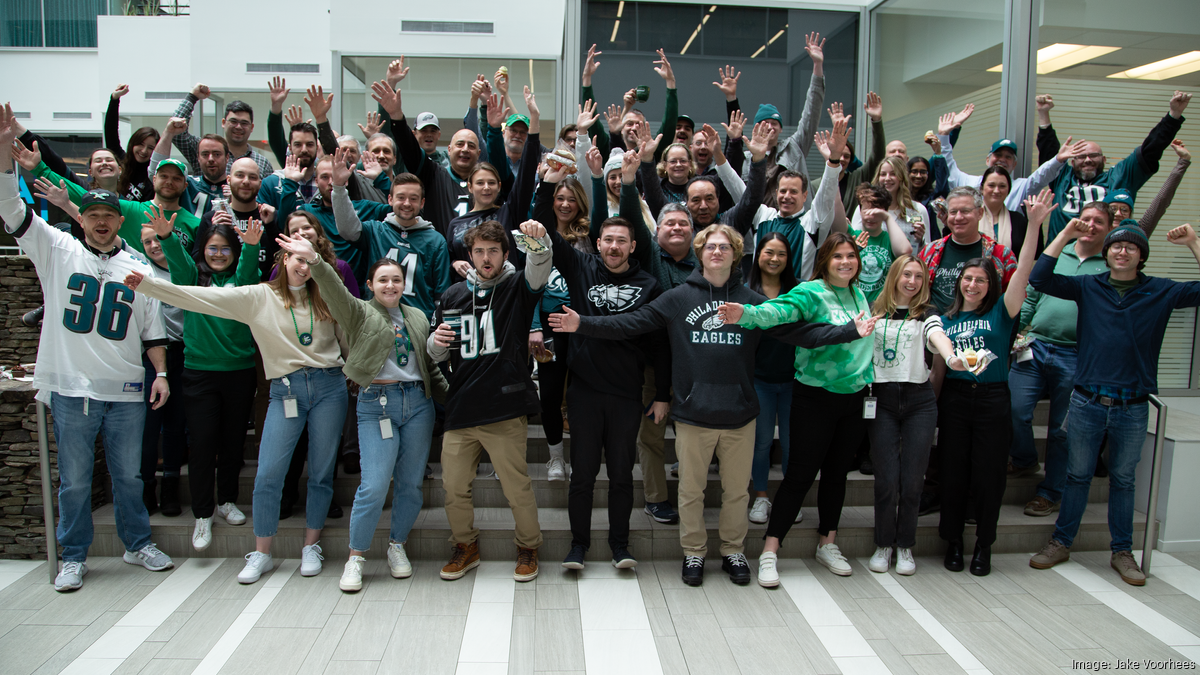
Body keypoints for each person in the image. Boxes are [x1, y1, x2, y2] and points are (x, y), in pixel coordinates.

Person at [554, 224, 870, 586]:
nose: (717, 252)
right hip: (693, 413)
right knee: (690, 492)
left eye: (725, 247)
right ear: (700, 253)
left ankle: (733, 551)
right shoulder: (677, 298)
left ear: (736, 254)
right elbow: (631, 322)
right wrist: (583, 323)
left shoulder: (751, 301)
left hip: (739, 414)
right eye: (710, 247)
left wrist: (848, 331)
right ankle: (694, 553)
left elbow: (798, 333)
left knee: (737, 493)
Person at [0, 104, 175, 591]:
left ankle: (137, 544)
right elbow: (12, 211)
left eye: (108, 215)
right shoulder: (57, 248)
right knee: (75, 481)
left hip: (124, 389)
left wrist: (159, 373)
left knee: (130, 478)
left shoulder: (137, 264)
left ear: (119, 220)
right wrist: (4, 152)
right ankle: (73, 556)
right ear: (82, 218)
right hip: (71, 388)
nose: (100, 222)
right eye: (92, 214)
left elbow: (151, 329)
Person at [124, 241, 358, 585]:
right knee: (267, 475)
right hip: (285, 390)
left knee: (322, 473)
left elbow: (349, 336)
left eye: (312, 261)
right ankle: (262, 552)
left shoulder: (327, 295)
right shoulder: (258, 297)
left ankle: (312, 545)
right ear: (284, 259)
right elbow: (202, 298)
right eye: (298, 259)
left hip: (329, 388)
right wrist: (149, 286)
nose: (304, 267)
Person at [1028, 219, 1200, 586]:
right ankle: (1061, 541)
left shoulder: (1162, 291)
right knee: (1076, 476)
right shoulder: (1089, 286)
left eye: (1131, 246)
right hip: (1086, 401)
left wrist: (1193, 242)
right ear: (1106, 253)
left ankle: (1123, 551)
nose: (1122, 250)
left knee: (1123, 480)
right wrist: (1064, 235)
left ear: (1141, 256)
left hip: (1134, 406)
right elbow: (1040, 278)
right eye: (1116, 245)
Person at [275, 235, 448, 591]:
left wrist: (453, 400)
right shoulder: (359, 311)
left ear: (404, 284)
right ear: (370, 285)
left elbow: (428, 367)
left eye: (396, 279)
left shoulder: (416, 316)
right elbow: (335, 291)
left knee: (411, 485)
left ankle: (397, 546)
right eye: (383, 279)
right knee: (372, 485)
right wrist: (317, 263)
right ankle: (356, 557)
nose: (390, 285)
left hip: (418, 404)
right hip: (376, 405)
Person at [719, 233, 879, 583]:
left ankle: (828, 542)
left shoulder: (859, 293)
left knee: (837, 476)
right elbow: (778, 311)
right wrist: (747, 312)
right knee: (800, 476)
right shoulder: (811, 292)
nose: (845, 262)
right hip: (815, 398)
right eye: (837, 256)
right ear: (824, 261)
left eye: (851, 256)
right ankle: (769, 551)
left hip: (853, 399)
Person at [539, 156, 669, 570]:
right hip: (584, 391)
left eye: (621, 241)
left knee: (620, 476)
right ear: (598, 243)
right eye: (607, 240)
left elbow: (658, 343)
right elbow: (544, 228)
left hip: (626, 394)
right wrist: (548, 183)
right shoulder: (581, 266)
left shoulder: (647, 285)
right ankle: (578, 546)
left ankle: (619, 546)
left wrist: (663, 392)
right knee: (582, 476)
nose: (613, 247)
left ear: (633, 246)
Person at [429, 220, 554, 583]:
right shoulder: (452, 295)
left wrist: (539, 240)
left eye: (493, 251)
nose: (486, 258)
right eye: (479, 251)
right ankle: (465, 546)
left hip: (504, 407)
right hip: (461, 407)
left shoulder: (518, 286)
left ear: (505, 254)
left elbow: (540, 265)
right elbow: (437, 354)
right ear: (469, 255)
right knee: (453, 487)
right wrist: (435, 343)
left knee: (516, 487)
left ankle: (529, 546)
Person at [937, 189, 1053, 577]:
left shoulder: (1003, 313)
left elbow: (1024, 268)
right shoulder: (948, 318)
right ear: (959, 283)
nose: (972, 285)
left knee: (988, 476)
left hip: (991, 400)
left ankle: (984, 546)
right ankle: (952, 541)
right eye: (967, 279)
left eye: (980, 280)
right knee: (953, 472)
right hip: (954, 399)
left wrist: (1034, 225)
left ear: (991, 284)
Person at [145, 210, 262, 552]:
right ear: (203, 250)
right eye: (212, 248)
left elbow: (247, 270)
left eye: (225, 248)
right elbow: (179, 262)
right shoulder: (191, 282)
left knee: (231, 442)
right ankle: (202, 513)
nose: (219, 254)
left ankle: (226, 500)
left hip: (239, 373)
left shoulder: (242, 282)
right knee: (203, 443)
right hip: (199, 374)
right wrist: (166, 237)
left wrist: (251, 246)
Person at [1009, 201, 1114, 511]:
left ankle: (1050, 492)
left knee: (1061, 429)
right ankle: (1025, 459)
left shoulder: (1111, 264)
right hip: (1035, 346)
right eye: (1085, 218)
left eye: (1098, 221)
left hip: (1077, 354)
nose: (1091, 225)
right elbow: (1033, 293)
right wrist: (1021, 330)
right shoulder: (1058, 253)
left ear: (1108, 229)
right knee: (1014, 410)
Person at [867, 256, 963, 576]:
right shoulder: (874, 312)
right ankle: (883, 543)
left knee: (912, 480)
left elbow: (938, 337)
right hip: (882, 400)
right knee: (886, 479)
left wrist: (950, 357)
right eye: (906, 274)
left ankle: (905, 544)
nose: (912, 281)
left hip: (919, 401)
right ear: (894, 276)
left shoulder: (928, 314)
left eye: (918, 276)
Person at [1039, 91, 1189, 239]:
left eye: (1094, 155)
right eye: (1081, 156)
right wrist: (1044, 114)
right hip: (1061, 257)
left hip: (1106, 256)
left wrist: (1173, 115)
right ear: (1072, 162)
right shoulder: (1061, 178)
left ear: (1104, 160)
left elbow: (1150, 150)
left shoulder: (1120, 177)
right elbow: (1050, 154)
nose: (1088, 160)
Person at [15, 142, 201, 256]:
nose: (169, 182)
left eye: (176, 178)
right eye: (164, 176)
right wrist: (40, 169)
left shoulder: (195, 224)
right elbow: (82, 195)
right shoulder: (131, 210)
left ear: (186, 185)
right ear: (154, 179)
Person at [720, 119, 848, 280]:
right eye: (783, 191)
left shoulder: (812, 222)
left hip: (796, 303)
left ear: (805, 195)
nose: (787, 196)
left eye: (794, 192)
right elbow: (735, 186)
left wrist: (834, 159)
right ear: (776, 192)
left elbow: (826, 195)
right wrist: (719, 154)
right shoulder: (763, 216)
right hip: (760, 301)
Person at [330, 151, 451, 319]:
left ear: (422, 203)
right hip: (377, 322)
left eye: (413, 198)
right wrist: (338, 187)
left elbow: (441, 293)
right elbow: (347, 229)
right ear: (390, 200)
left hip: (417, 326)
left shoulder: (436, 241)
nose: (407, 203)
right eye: (401, 197)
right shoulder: (375, 231)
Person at [376, 74, 484, 239]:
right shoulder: (434, 174)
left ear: (479, 153)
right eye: (460, 144)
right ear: (449, 149)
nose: (465, 150)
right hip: (439, 259)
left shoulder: (486, 184)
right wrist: (396, 116)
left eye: (471, 146)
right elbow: (409, 148)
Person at [744, 233, 799, 524]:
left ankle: (789, 500)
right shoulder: (746, 291)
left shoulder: (799, 292)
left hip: (794, 380)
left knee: (792, 443)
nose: (775, 259)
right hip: (760, 380)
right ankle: (761, 497)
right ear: (758, 255)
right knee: (762, 442)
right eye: (769, 252)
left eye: (781, 254)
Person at [721, 33, 826, 184]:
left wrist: (817, 65)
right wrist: (731, 99)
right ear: (755, 128)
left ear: (781, 129)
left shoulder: (795, 148)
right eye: (765, 123)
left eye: (774, 123)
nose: (770, 126)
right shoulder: (745, 159)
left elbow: (812, 113)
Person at [938, 105, 1076, 213]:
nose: (1002, 160)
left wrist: (1058, 159)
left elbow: (1041, 176)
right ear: (987, 159)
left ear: (1014, 164)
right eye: (997, 155)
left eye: (1008, 157)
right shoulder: (969, 183)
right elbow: (947, 167)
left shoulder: (1021, 187)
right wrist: (944, 136)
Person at [136, 225, 186, 517]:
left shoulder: (184, 269)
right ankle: (145, 487)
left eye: (157, 238)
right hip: (148, 355)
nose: (154, 245)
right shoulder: (141, 270)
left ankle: (170, 486)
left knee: (176, 424)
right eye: (147, 242)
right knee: (148, 426)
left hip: (181, 352)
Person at [918, 186, 1018, 313]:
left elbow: (1016, 300)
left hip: (982, 328)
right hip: (934, 328)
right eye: (953, 212)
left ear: (980, 213)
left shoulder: (1001, 255)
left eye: (965, 211)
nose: (958, 217)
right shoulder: (930, 252)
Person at [581, 47, 678, 164]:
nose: (634, 128)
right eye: (629, 123)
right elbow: (591, 119)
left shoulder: (652, 151)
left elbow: (669, 124)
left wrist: (670, 82)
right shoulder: (607, 149)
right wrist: (586, 78)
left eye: (639, 124)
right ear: (621, 129)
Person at [171, 84, 275, 178]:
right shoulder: (204, 149)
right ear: (223, 122)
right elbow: (175, 131)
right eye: (233, 121)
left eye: (244, 123)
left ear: (252, 127)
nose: (238, 127)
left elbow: (269, 197)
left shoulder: (263, 163)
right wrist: (192, 97)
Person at [1104, 140, 1191, 237]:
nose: (1118, 213)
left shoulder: (1138, 232)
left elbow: (1161, 201)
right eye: (1113, 209)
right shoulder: (1092, 235)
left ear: (1130, 214)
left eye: (1124, 210)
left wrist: (1184, 161)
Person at [849, 184, 914, 304]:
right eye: (866, 210)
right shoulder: (852, 234)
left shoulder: (890, 239)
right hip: (854, 305)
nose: (870, 216)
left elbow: (905, 251)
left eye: (876, 211)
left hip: (882, 307)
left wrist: (887, 217)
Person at [851, 155, 930, 251]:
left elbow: (927, 250)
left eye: (893, 174)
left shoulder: (918, 209)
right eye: (883, 174)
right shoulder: (865, 208)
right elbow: (854, 240)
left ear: (902, 177)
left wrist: (921, 240)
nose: (887, 178)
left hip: (906, 263)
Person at [152, 119, 229, 215]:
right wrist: (168, 133)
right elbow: (156, 171)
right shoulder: (187, 184)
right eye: (205, 154)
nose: (211, 159)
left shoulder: (237, 188)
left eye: (217, 154)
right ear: (198, 158)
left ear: (227, 157)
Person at [105, 84, 158, 201]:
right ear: (133, 143)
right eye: (141, 144)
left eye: (150, 148)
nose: (144, 151)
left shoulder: (154, 176)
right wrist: (114, 99)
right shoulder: (120, 160)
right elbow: (110, 132)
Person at [976, 165, 1043, 255]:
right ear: (981, 189)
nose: (996, 190)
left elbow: (1035, 253)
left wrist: (1035, 222)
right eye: (991, 185)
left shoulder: (1018, 220)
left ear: (1008, 190)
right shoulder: (971, 217)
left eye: (1002, 186)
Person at [259, 122, 322, 211]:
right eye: (298, 145)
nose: (304, 150)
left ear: (317, 147)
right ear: (290, 148)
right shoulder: (272, 183)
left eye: (310, 144)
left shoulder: (327, 181)